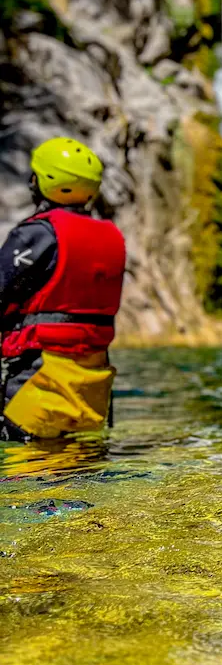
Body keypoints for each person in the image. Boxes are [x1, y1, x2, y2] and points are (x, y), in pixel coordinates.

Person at [0, 137, 126, 442]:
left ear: (42, 182)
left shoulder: (38, 233)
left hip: (40, 383)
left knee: (25, 483)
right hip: (92, 389)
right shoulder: (111, 236)